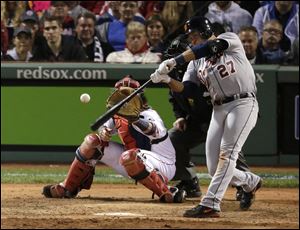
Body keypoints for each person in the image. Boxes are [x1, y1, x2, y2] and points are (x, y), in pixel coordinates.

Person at [150, 16, 262, 218]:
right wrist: (167, 79)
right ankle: (250, 182)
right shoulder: (196, 63)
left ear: (204, 31)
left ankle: (211, 203)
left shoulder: (230, 39)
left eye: (194, 35)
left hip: (243, 102)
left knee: (227, 155)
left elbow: (211, 47)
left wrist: (175, 60)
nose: (191, 40)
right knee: (213, 168)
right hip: (219, 109)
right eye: (190, 37)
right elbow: (188, 90)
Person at [42, 76, 186, 203]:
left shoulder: (149, 114)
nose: (124, 100)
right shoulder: (117, 115)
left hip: (163, 164)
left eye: (128, 95)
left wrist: (135, 120)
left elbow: (155, 131)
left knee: (129, 156)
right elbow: (102, 130)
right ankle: (68, 188)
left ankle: (167, 192)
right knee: (92, 142)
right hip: (131, 162)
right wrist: (104, 132)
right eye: (121, 95)